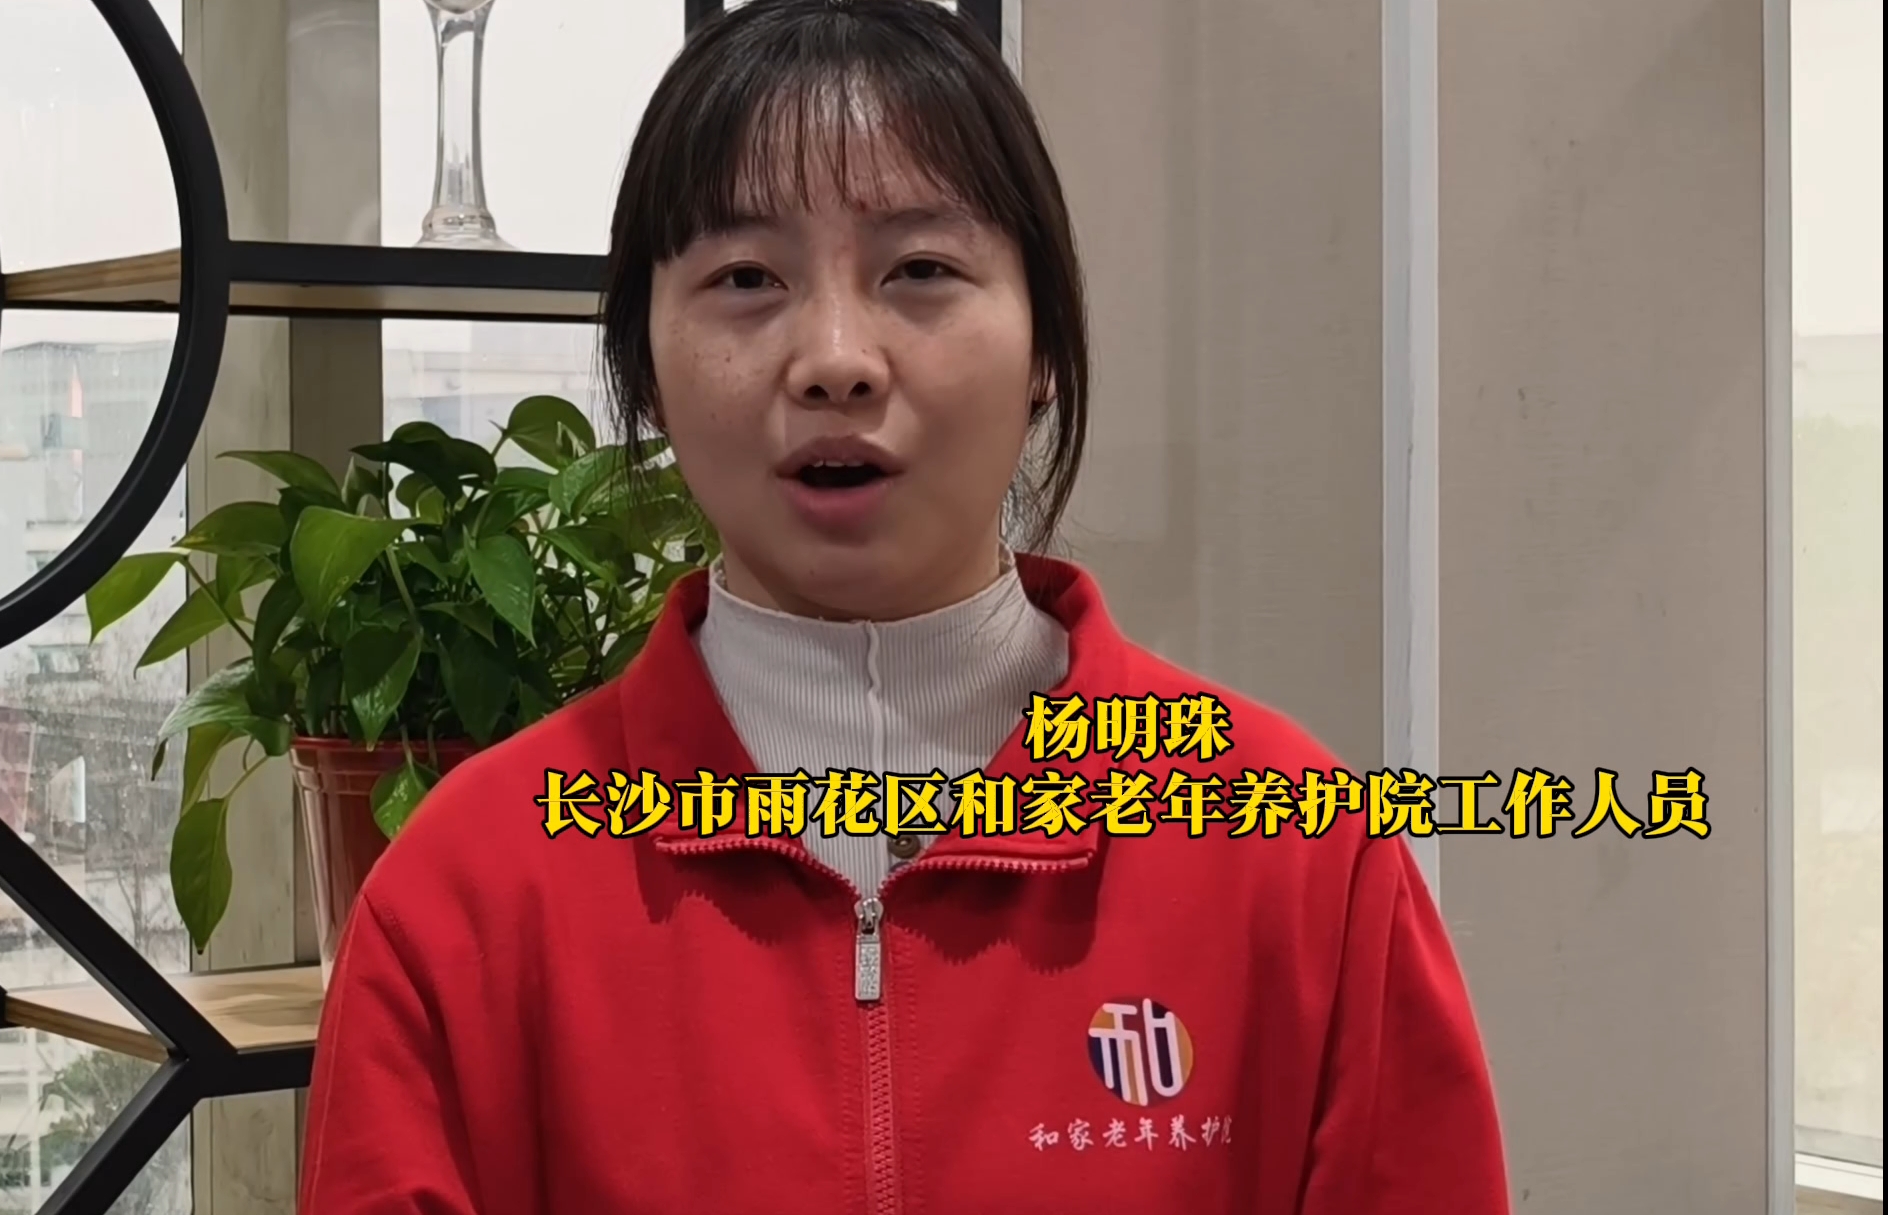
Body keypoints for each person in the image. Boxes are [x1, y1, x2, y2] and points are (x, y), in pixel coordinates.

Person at [297, 1, 1509, 1211]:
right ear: (645, 366)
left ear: (1046, 347)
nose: (836, 357)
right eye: (746, 278)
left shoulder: (1300, 859)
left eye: (921, 270)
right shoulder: (465, 899)